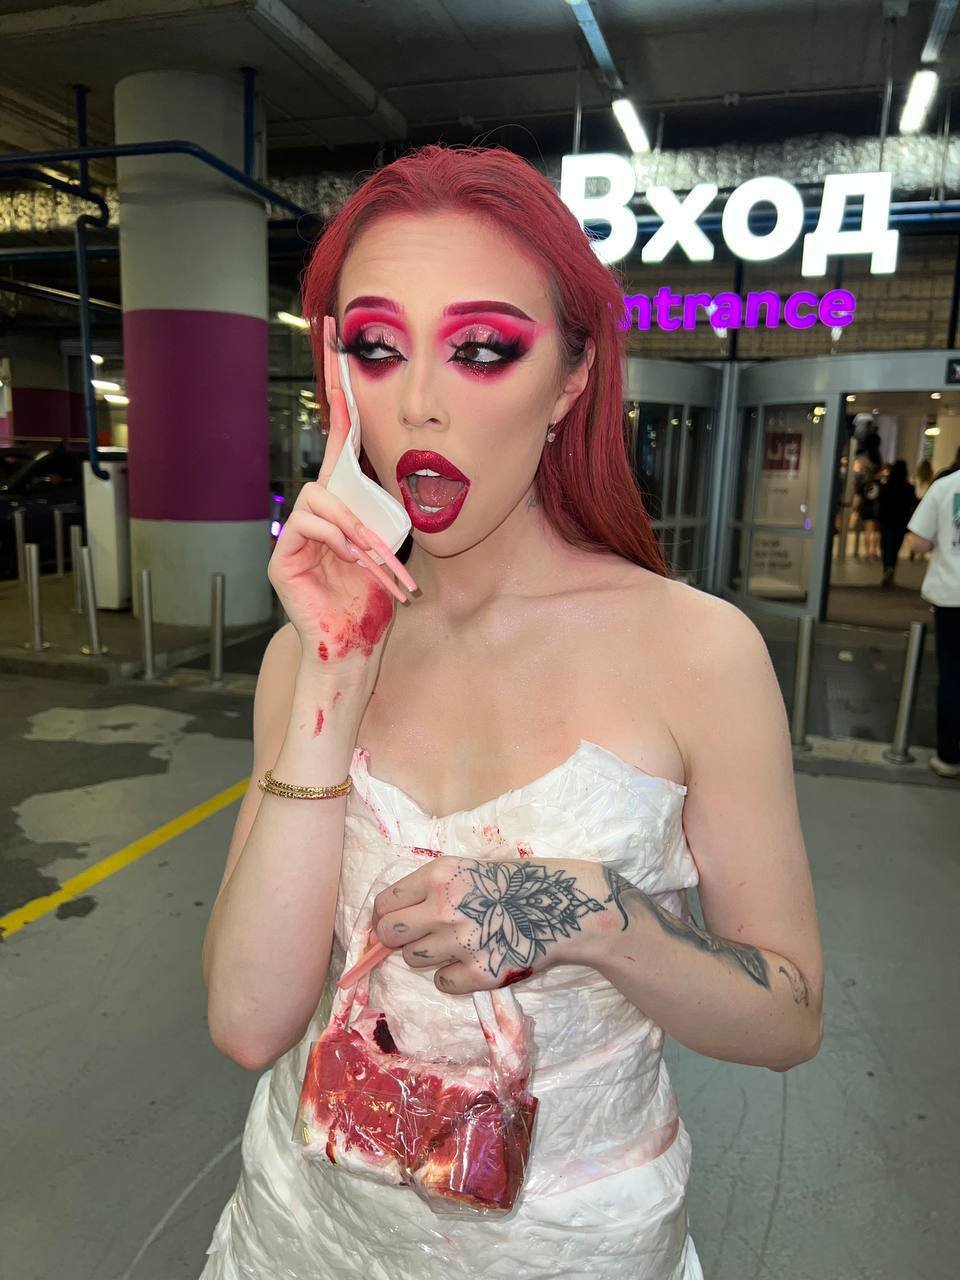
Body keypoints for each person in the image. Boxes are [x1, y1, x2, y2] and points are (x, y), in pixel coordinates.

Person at [199, 143, 824, 1280]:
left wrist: (594, 914)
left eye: (482, 349)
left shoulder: (697, 651)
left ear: (571, 379)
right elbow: (248, 1021)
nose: (419, 404)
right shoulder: (309, 651)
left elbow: (790, 1017)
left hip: (575, 1248)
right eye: (376, 348)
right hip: (302, 1234)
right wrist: (330, 678)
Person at [908, 465, 960, 778]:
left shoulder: (945, 487)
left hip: (952, 596)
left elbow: (918, 542)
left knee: (953, 676)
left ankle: (949, 756)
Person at [877, 459, 917, 587]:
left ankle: (887, 567)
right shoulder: (909, 488)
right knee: (895, 546)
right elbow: (912, 504)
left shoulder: (886, 486)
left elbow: (880, 502)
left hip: (886, 520)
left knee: (886, 545)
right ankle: (891, 568)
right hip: (901, 521)